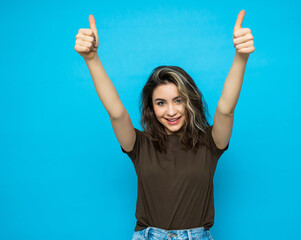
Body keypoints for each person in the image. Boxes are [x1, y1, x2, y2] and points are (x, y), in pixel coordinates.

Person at [74, 10, 254, 240]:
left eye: (178, 100)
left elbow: (226, 109)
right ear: (152, 107)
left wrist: (241, 56)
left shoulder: (211, 142)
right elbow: (116, 112)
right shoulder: (139, 145)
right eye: (161, 103)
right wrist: (91, 59)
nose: (170, 111)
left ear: (191, 101)